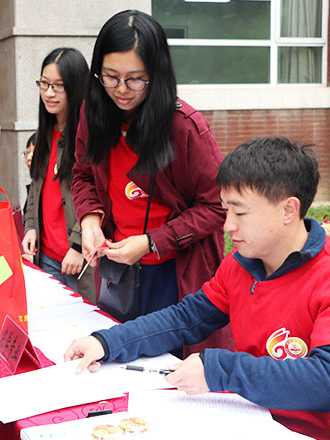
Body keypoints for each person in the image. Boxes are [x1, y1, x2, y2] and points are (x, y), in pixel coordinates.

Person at [65, 137, 330, 440]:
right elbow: (186, 318)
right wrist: (107, 342)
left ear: (289, 210)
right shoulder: (242, 263)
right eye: (226, 210)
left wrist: (220, 370)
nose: (228, 225)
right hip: (257, 420)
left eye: (240, 212)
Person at [72, 10, 227, 333]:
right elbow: (83, 174)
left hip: (174, 273)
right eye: (110, 77)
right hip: (117, 270)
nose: (121, 89)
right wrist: (89, 221)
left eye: (135, 79)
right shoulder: (93, 113)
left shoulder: (185, 128)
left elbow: (217, 205)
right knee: (113, 348)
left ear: (157, 74)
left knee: (168, 356)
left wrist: (151, 242)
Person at [22, 48, 96, 304]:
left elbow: (98, 196)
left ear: (76, 87)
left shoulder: (89, 137)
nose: (49, 93)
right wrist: (30, 226)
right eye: (44, 83)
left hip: (78, 261)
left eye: (58, 86)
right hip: (46, 256)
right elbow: (36, 186)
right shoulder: (45, 133)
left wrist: (77, 245)